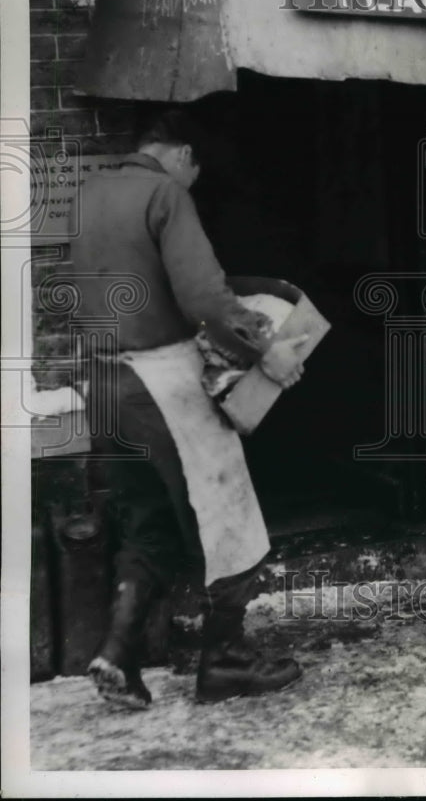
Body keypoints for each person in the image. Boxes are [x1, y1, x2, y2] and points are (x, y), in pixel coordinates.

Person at [69, 107, 309, 709]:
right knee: (230, 517)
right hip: (160, 381)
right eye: (195, 171)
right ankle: (226, 660)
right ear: (182, 155)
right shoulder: (166, 194)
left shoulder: (90, 194)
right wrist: (269, 349)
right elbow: (203, 295)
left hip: (102, 382)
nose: (193, 183)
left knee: (147, 522)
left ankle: (118, 654)